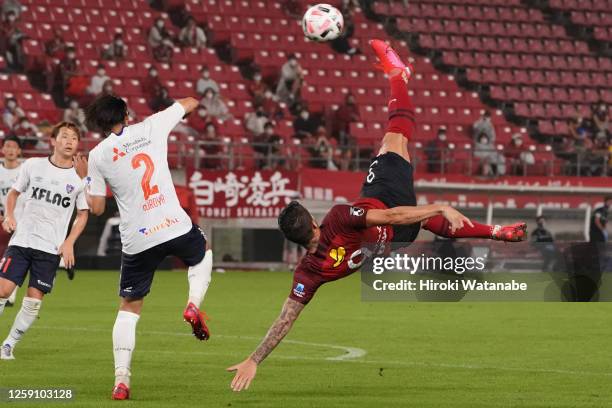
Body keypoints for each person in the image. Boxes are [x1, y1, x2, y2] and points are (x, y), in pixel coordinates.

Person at [226, 40, 527, 391]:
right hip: (386, 204)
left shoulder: (309, 271)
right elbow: (393, 216)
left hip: (397, 240)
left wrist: (254, 358)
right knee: (395, 136)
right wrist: (439, 205)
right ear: (311, 222)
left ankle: (497, 232)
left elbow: (285, 319)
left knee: (425, 214)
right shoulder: (337, 219)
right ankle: (399, 76)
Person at [82, 94, 213, 400]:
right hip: (173, 223)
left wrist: (84, 181)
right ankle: (193, 302)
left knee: (129, 308)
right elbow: (191, 102)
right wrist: (178, 106)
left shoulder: (97, 155)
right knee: (203, 252)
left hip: (138, 239)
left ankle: (121, 381)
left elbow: (98, 207)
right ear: (126, 114)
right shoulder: (152, 127)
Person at [0, 122, 89, 360]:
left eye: (74, 138)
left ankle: (8, 345)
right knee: (3, 290)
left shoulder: (79, 177)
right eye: (65, 136)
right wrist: (9, 215)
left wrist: (69, 242)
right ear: (53, 141)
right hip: (22, 240)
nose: (70, 141)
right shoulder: (33, 165)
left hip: (50, 248)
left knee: (33, 303)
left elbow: (83, 214)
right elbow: (13, 193)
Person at [0, 135, 24, 307]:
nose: (10, 150)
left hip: (22, 223)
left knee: (14, 259)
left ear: (19, 151)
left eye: (14, 147)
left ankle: (10, 295)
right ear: (2, 149)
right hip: (1, 221)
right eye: (7, 146)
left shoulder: (25, 171)